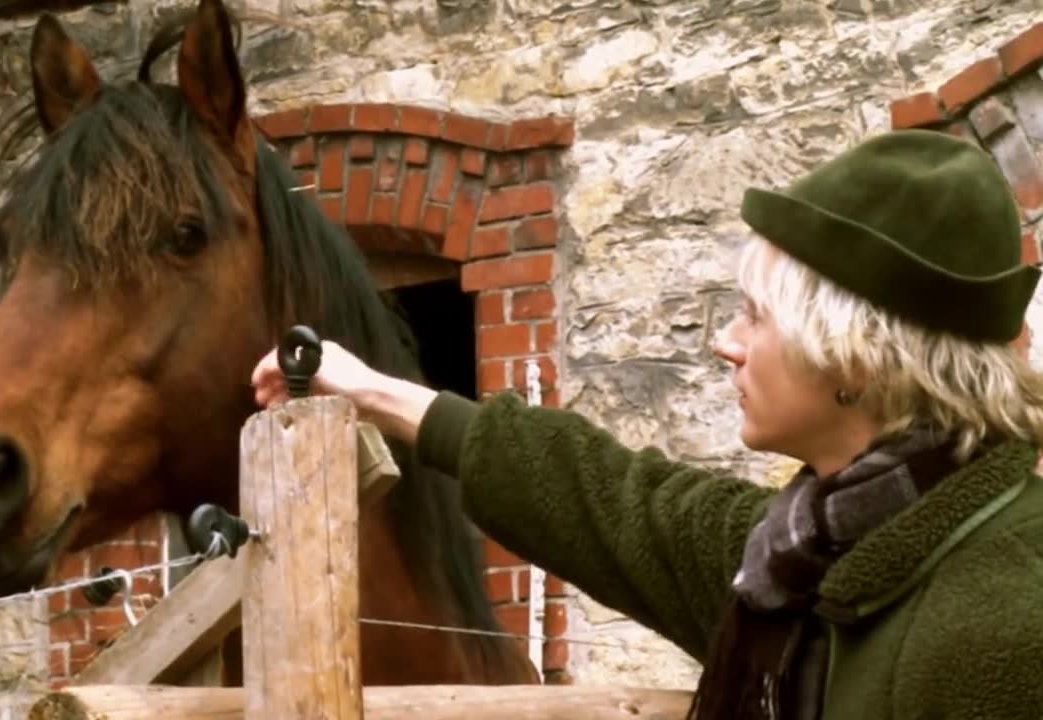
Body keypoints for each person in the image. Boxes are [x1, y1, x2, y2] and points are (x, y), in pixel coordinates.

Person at [251, 129, 1043, 719]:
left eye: (755, 318)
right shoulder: (805, 554)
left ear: (855, 359)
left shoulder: (1005, 624)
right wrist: (375, 392)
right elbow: (607, 498)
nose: (725, 343)